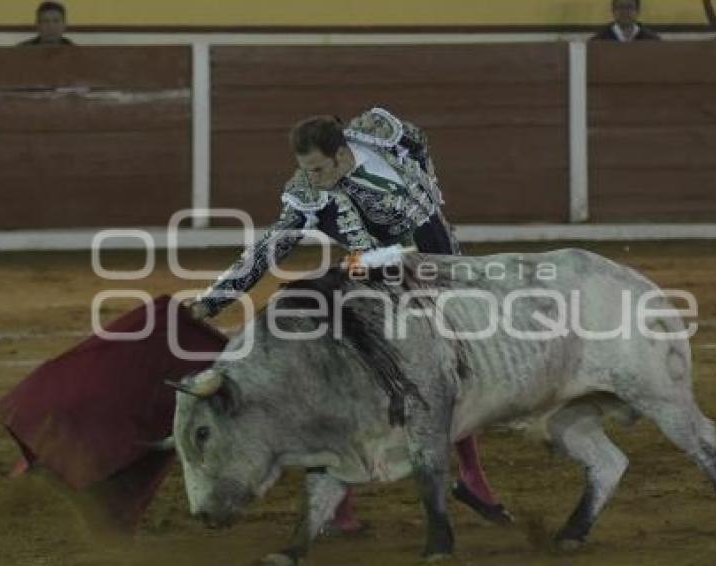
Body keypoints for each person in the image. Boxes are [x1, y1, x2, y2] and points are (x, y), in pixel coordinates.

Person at [187, 108, 513, 530]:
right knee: (343, 371)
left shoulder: (383, 157)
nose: (313, 179)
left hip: (436, 267)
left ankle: (471, 477)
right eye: (306, 169)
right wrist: (213, 300)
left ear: (341, 155)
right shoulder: (309, 187)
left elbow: (415, 244)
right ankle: (339, 503)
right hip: (370, 271)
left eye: (319, 168)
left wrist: (362, 259)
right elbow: (270, 248)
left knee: (454, 372)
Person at [591, 0, 661, 42]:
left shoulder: (651, 39)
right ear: (613, 11)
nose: (625, 12)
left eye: (630, 7)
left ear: (637, 11)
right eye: (621, 7)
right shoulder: (599, 40)